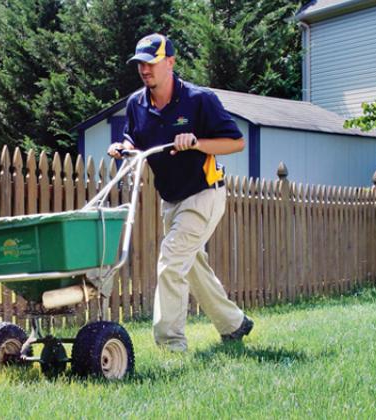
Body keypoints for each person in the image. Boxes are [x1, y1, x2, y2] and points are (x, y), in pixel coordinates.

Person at [107, 33, 253, 352]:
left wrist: (197, 142)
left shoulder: (200, 100)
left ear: (170, 62)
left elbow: (236, 142)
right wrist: (123, 147)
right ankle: (234, 324)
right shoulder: (136, 103)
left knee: (172, 259)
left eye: (151, 63)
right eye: (140, 64)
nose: (145, 70)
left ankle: (170, 344)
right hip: (169, 198)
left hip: (204, 193)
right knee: (192, 264)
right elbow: (134, 138)